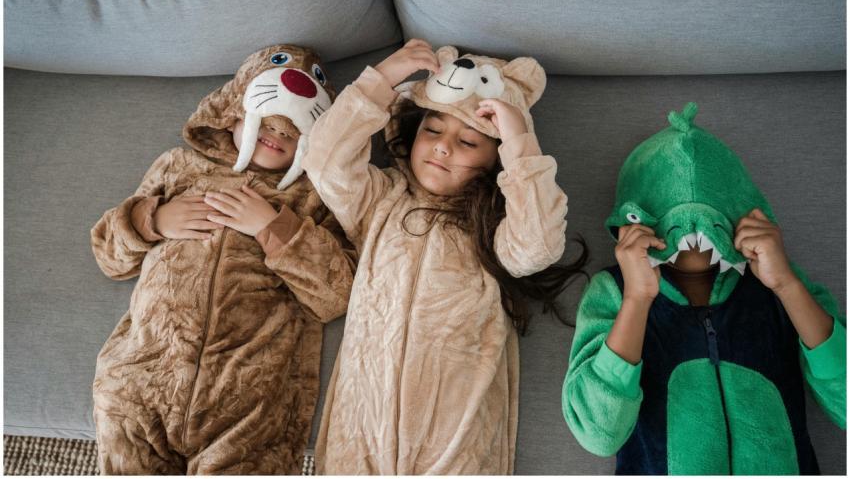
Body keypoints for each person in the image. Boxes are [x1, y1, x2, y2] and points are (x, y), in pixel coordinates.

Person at [303, 39, 587, 474]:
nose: (442, 147)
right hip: (360, 424)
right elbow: (324, 161)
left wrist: (518, 141)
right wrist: (383, 77)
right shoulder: (379, 200)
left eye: (468, 141)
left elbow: (538, 246)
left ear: (495, 162)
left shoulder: (494, 230)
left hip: (456, 436)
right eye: (432, 131)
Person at [91, 44, 356, 474]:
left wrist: (272, 226)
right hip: (144, 370)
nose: (278, 136)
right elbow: (108, 253)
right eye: (267, 124)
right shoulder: (179, 168)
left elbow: (335, 294)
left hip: (248, 390)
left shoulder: (313, 196)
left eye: (292, 134)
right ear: (230, 113)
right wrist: (154, 219)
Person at [562, 102, 845, 474]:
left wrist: (787, 285)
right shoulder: (613, 292)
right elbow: (598, 433)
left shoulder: (777, 286)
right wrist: (637, 299)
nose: (693, 231)